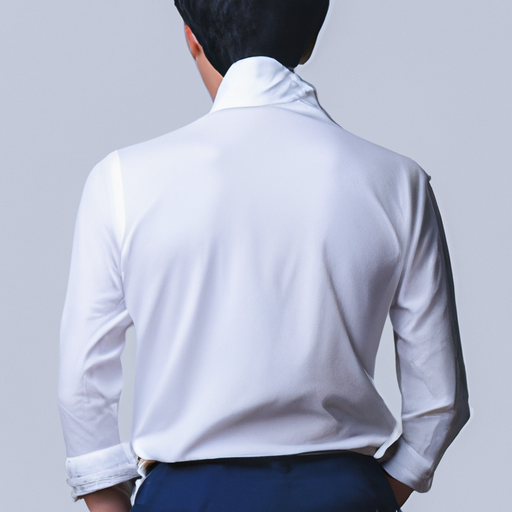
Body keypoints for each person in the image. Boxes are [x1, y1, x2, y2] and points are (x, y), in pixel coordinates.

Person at [58, 1, 470, 511]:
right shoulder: (398, 182)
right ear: (309, 42)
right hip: (341, 493)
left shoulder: (121, 180)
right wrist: (371, 497)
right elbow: (440, 402)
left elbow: (82, 386)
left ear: (192, 37)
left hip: (188, 498)